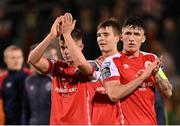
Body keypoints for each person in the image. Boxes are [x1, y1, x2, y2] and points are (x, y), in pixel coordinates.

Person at [100, 16, 173, 124]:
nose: (132, 38)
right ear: (121, 36)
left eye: (137, 34)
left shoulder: (152, 59)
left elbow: (168, 92)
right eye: (128, 33)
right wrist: (143, 76)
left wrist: (156, 75)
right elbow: (114, 94)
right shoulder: (110, 62)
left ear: (143, 38)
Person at [28, 16, 99, 125]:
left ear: (81, 47)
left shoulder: (91, 66)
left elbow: (80, 63)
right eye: (62, 47)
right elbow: (32, 60)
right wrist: (51, 36)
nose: (65, 51)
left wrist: (66, 35)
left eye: (69, 47)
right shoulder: (57, 67)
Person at [61, 13, 122, 124]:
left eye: (106, 34)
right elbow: (81, 64)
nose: (101, 38)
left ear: (118, 38)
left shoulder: (127, 63)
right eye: (99, 35)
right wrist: (67, 35)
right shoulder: (96, 64)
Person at [0, 45, 31, 124]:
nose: (17, 61)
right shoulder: (2, 79)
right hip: (9, 121)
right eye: (13, 58)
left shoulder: (30, 76)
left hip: (28, 121)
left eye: (19, 57)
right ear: (5, 60)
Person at [23, 44, 52, 125]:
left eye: (34, 58)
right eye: (30, 59)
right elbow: (25, 109)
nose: (30, 62)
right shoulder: (28, 80)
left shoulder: (54, 79)